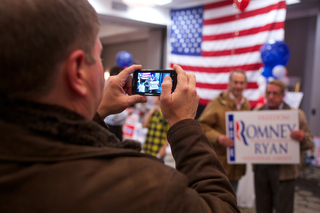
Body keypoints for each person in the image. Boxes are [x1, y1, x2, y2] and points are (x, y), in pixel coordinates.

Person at [0, 0, 240, 212]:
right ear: (77, 72)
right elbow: (221, 207)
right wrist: (184, 124)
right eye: (99, 58)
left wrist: (96, 114)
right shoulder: (144, 184)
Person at [254, 80, 314, 213]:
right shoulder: (256, 112)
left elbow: (310, 142)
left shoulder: (296, 114)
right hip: (261, 170)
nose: (271, 96)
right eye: (268, 93)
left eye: (275, 93)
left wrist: (302, 137)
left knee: (284, 208)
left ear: (282, 95)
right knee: (262, 208)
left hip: (285, 171)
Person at [197, 69, 251, 193]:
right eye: (236, 82)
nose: (238, 86)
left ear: (245, 85)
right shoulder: (217, 103)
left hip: (237, 163)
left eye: (241, 83)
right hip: (220, 161)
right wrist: (219, 137)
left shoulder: (246, 104)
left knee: (233, 197)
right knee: (219, 197)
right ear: (230, 83)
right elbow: (202, 125)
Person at [104, 65, 129, 141]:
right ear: (115, 75)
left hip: (118, 128)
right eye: (121, 74)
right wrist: (127, 113)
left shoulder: (120, 89)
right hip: (109, 128)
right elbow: (111, 116)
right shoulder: (108, 90)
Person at [142, 97, 170, 161]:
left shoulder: (165, 114)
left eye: (155, 97)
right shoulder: (153, 111)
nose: (152, 98)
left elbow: (169, 133)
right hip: (148, 147)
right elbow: (144, 125)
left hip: (158, 148)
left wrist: (163, 149)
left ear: (159, 100)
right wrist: (150, 113)